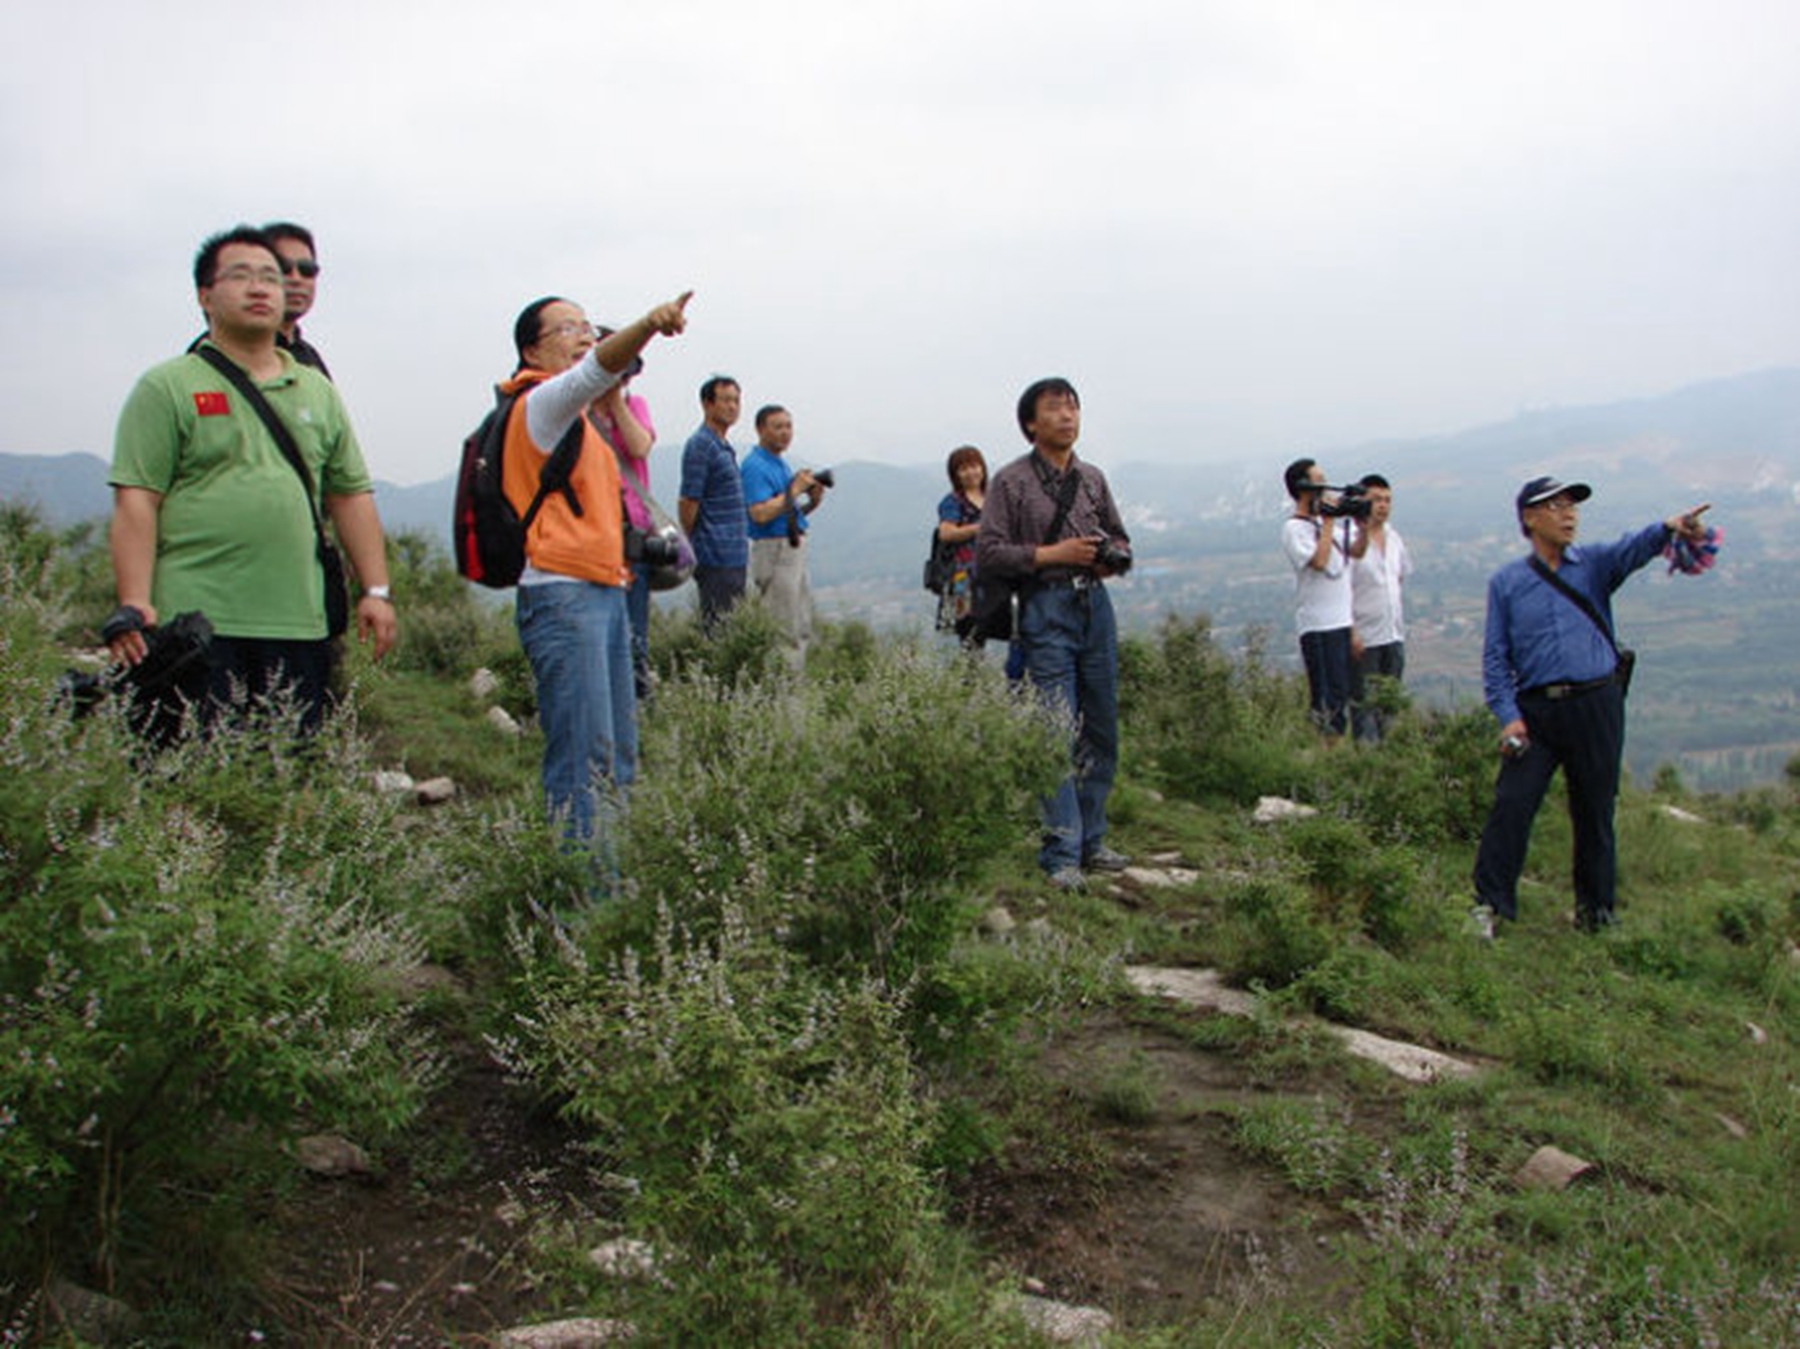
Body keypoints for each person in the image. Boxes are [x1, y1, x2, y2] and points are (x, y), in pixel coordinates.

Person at [106, 225, 397, 734]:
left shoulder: (316, 390)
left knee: (288, 777)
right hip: (195, 624)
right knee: (184, 775)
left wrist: (375, 589)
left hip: (298, 623)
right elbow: (137, 500)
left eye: (271, 277)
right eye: (240, 276)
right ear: (205, 295)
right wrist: (136, 601)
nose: (261, 288)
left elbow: (349, 494)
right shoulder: (167, 386)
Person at [1470, 476, 1712, 937]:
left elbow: (1633, 547)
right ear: (1529, 517)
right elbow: (1495, 659)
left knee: (1595, 810)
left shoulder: (1595, 565)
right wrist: (1508, 717)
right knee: (1512, 806)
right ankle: (1489, 905)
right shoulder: (1507, 583)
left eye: (1572, 506)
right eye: (1556, 506)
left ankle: (1597, 914)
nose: (1569, 514)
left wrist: (1670, 527)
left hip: (1596, 703)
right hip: (1536, 712)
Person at [500, 291, 691, 858]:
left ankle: (611, 893)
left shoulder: (581, 419)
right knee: (583, 761)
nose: (585, 335)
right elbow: (596, 371)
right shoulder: (541, 402)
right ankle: (581, 913)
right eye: (568, 329)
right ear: (532, 349)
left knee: (616, 755)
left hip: (602, 590)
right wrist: (651, 323)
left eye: (587, 325)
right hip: (564, 595)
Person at [977, 378, 1131, 891]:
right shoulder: (1011, 482)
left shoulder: (1092, 478)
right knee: (1054, 730)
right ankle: (1061, 851)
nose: (1067, 416)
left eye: (1073, 407)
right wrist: (1051, 555)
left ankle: (1091, 839)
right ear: (1030, 423)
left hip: (1095, 604)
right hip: (1044, 609)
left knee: (1102, 726)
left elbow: (1120, 534)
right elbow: (990, 552)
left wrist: (1113, 558)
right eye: (1054, 408)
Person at [587, 337, 657, 700]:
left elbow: (639, 446)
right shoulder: (577, 412)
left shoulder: (635, 406)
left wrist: (615, 402)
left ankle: (635, 702)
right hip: (589, 536)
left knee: (634, 629)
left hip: (631, 532)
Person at [1281, 458, 1368, 738]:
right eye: (1318, 480)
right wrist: (1329, 520)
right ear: (1303, 487)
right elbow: (1319, 562)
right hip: (1318, 625)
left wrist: (1362, 524)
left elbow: (1355, 551)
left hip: (1342, 622)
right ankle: (1326, 752)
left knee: (1344, 692)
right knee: (1326, 699)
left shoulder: (1330, 526)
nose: (1324, 486)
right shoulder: (1294, 529)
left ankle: (1339, 750)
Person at [741, 404, 827, 668]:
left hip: (790, 546)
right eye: (777, 427)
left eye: (788, 426)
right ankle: (782, 694)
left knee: (799, 623)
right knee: (783, 627)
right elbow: (759, 513)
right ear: (760, 430)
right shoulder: (755, 465)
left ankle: (793, 689)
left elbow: (784, 513)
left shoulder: (777, 463)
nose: (785, 433)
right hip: (775, 550)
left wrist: (812, 501)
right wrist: (794, 489)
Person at [679, 375, 748, 629]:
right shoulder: (701, 445)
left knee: (734, 628)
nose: (732, 407)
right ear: (707, 404)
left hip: (734, 554)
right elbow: (688, 500)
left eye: (736, 401)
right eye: (726, 400)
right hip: (715, 555)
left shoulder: (723, 446)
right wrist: (691, 539)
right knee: (719, 631)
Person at [1348, 473, 1412, 742]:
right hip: (1365, 639)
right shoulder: (1349, 539)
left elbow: (1400, 576)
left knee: (1389, 707)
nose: (1383, 505)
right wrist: (1351, 632)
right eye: (1376, 500)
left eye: (1387, 500)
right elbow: (1341, 591)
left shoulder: (1394, 537)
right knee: (1364, 707)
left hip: (1393, 635)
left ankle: (1389, 765)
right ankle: (1366, 766)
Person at [264, 221, 332, 378]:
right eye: (284, 268)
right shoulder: (228, 352)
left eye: (307, 270)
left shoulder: (310, 358)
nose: (296, 279)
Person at [935, 445, 987, 640]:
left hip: (995, 571)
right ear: (955, 475)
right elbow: (946, 533)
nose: (970, 473)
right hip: (965, 574)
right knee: (970, 633)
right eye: (963, 469)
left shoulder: (992, 496)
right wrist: (978, 529)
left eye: (974, 466)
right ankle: (970, 671)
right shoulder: (953, 501)